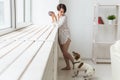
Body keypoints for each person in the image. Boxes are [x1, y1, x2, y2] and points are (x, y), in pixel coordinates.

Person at [49, 3, 74, 70]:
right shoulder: (58, 16)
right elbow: (54, 25)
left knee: (65, 52)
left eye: (63, 11)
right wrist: (54, 17)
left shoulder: (64, 17)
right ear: (58, 10)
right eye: (61, 11)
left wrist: (53, 17)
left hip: (66, 36)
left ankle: (75, 63)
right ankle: (68, 66)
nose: (62, 13)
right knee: (64, 53)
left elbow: (57, 25)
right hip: (60, 37)